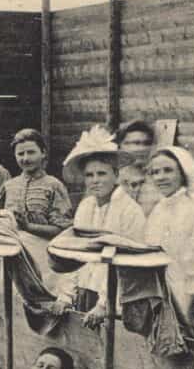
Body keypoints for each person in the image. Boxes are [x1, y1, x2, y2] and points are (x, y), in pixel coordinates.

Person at [62, 128, 147, 327]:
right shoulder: (85, 207)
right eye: (89, 175)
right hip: (85, 290)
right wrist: (66, 295)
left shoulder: (130, 211)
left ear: (116, 175)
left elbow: (128, 266)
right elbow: (74, 253)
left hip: (115, 297)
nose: (95, 180)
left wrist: (104, 304)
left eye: (102, 173)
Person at [144, 147, 194, 332]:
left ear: (183, 172)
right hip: (161, 290)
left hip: (188, 293)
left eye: (168, 170)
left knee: (191, 341)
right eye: (155, 172)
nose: (161, 177)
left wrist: (190, 301)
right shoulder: (159, 209)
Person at [0, 128, 73, 239]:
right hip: (11, 247)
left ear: (43, 153)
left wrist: (29, 227)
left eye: (31, 152)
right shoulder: (8, 186)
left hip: (43, 247)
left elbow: (62, 229)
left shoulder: (54, 185)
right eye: (20, 154)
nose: (26, 159)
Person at [115, 119, 162, 216]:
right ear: (120, 146)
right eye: (135, 143)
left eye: (147, 143)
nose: (142, 149)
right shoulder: (110, 180)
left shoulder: (159, 181)